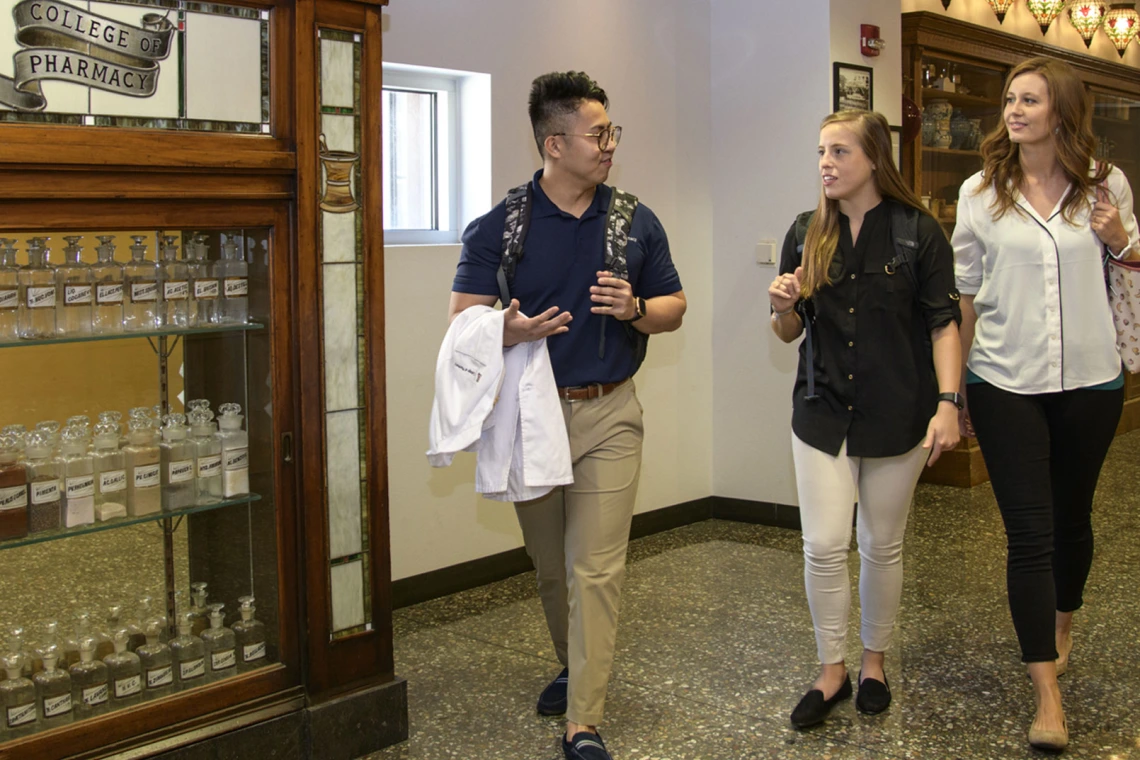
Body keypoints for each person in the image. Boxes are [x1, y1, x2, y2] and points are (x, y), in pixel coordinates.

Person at [448, 71, 686, 760]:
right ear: (555, 144)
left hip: (610, 413)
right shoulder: (502, 227)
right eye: (597, 133)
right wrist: (508, 331)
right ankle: (572, 660)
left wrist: (637, 309)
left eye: (612, 131)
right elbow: (463, 320)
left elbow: (674, 307)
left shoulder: (636, 221)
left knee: (596, 568)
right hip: (530, 418)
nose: (610, 144)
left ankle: (583, 719)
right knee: (551, 566)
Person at [953, 56, 1139, 752]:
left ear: (1060, 111)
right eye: (1009, 99)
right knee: (1029, 535)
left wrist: (1120, 236)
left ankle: (1064, 620)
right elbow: (964, 295)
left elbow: (1132, 263)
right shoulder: (980, 191)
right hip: (1004, 382)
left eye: (1029, 99)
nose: (1014, 110)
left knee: (1072, 520)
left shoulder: (1105, 185)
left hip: (1092, 381)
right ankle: (1047, 694)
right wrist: (957, 388)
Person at [769, 110, 962, 729]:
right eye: (821, 151)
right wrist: (782, 308)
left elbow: (943, 324)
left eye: (840, 152)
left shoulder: (918, 232)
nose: (825, 163)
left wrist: (948, 403)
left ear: (874, 159)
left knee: (882, 544)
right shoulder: (805, 232)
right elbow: (788, 332)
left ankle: (874, 662)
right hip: (821, 411)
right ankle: (833, 670)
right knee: (824, 544)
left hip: (898, 413)